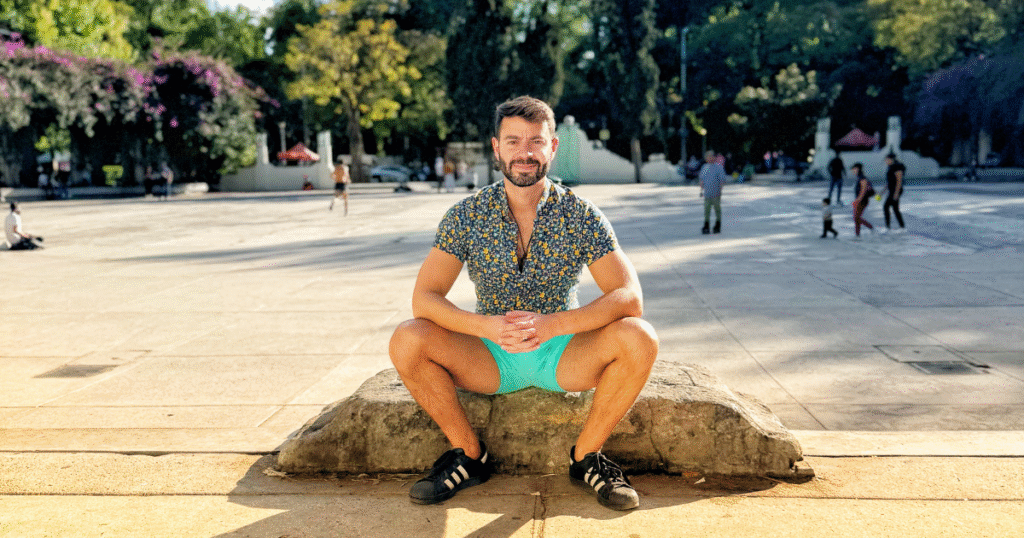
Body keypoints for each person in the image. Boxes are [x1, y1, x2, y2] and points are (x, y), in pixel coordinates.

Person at [389, 96, 658, 511]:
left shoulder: (581, 215)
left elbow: (629, 296)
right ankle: (469, 457)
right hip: (490, 353)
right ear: (496, 148)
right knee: (407, 338)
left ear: (552, 148)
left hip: (563, 351)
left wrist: (554, 324)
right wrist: (486, 328)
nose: (525, 152)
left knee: (640, 337)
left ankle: (586, 457)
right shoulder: (466, 215)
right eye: (513, 141)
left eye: (536, 141)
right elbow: (424, 298)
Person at [698, 150, 726, 234]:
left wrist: (720, 189)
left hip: (716, 193)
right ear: (706, 158)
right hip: (707, 193)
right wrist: (701, 185)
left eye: (711, 156)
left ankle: (718, 224)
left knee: (717, 209)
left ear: (714, 158)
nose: (710, 158)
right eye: (708, 156)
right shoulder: (704, 167)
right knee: (707, 210)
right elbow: (701, 178)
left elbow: (722, 179)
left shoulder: (719, 167)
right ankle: (706, 225)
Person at [881, 152, 906, 233]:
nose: (885, 161)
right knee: (895, 209)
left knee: (886, 206)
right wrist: (883, 191)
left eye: (886, 159)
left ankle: (888, 227)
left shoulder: (897, 167)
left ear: (891, 159)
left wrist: (896, 194)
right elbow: (890, 181)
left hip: (896, 190)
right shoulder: (890, 167)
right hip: (892, 190)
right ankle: (902, 226)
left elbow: (899, 181)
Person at [850, 163, 874, 239]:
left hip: (863, 200)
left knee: (856, 217)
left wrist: (857, 200)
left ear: (857, 169)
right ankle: (858, 234)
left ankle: (870, 227)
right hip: (860, 200)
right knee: (856, 218)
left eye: (853, 169)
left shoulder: (862, 178)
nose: (852, 171)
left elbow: (863, 191)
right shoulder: (859, 177)